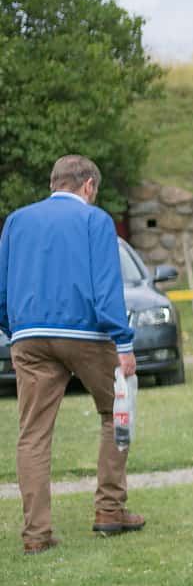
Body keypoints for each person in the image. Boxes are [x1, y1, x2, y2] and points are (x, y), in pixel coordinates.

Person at [0, 155, 146, 554]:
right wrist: (124, 341)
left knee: (32, 435)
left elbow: (1, 290)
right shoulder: (94, 221)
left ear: (54, 183)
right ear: (88, 186)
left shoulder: (16, 221)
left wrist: (16, 333)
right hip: (85, 333)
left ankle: (36, 535)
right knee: (117, 411)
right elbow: (106, 287)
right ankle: (109, 511)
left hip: (28, 337)